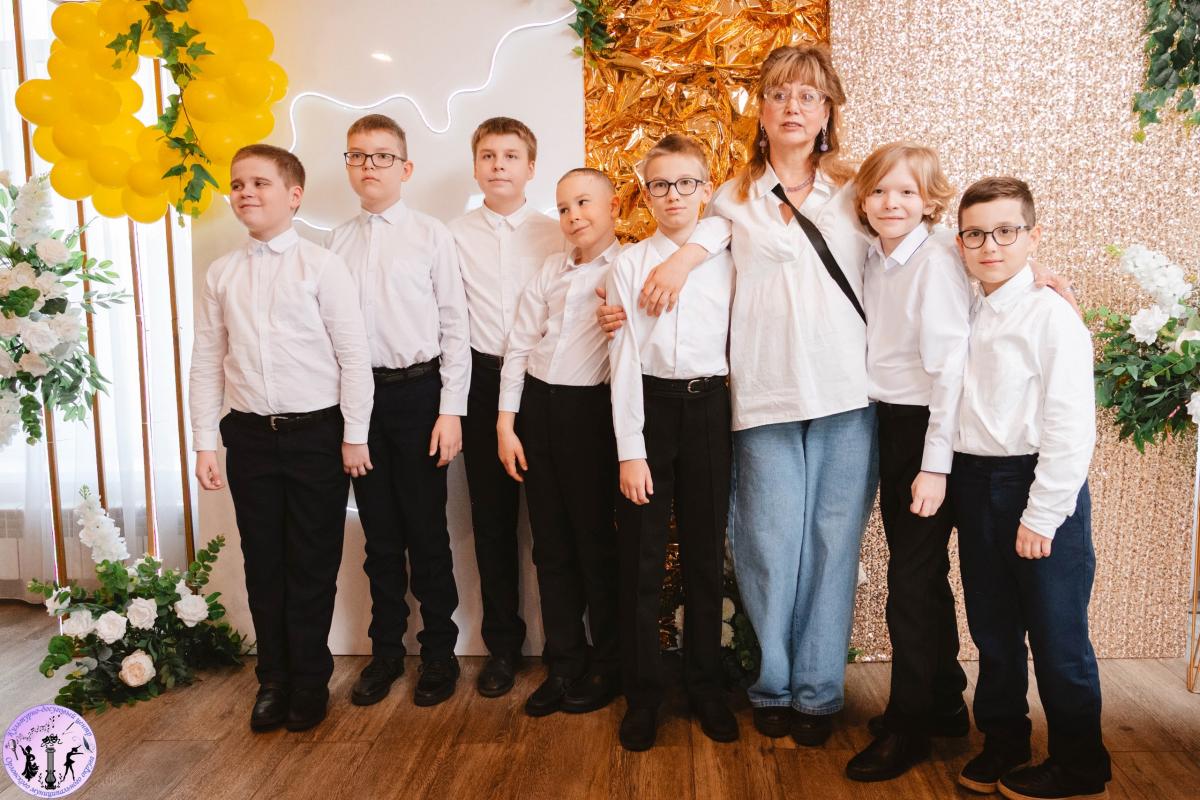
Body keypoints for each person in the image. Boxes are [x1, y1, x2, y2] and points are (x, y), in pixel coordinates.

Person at [190, 144, 374, 732]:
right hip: (248, 437)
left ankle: (310, 680)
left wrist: (354, 434)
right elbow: (206, 361)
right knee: (263, 563)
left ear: (294, 196)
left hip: (316, 434)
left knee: (312, 564)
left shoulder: (322, 267)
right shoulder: (221, 274)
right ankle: (273, 679)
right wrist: (204, 441)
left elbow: (354, 356)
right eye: (237, 184)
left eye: (259, 183)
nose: (245, 192)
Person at [951, 177, 1109, 800]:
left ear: (1033, 236)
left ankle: (1080, 764)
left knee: (1056, 632)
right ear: (960, 243)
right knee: (992, 628)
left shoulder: (1051, 315)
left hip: (1035, 483)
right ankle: (1004, 740)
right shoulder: (964, 304)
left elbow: (1071, 425)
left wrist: (1043, 514)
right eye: (975, 234)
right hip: (974, 479)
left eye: (1005, 231)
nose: (990, 245)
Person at [328, 114, 471, 708]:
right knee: (379, 536)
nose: (369, 166)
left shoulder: (432, 235)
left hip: (419, 396)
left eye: (382, 156)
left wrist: (451, 410)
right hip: (360, 399)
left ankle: (439, 652)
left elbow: (455, 326)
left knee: (426, 531)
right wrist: (348, 421)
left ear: (405, 168)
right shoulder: (336, 242)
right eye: (357, 155)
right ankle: (386, 651)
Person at [843, 142, 972, 781]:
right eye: (879, 191)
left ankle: (909, 726)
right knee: (921, 573)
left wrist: (935, 465)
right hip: (890, 425)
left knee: (910, 584)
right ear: (863, 200)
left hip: (928, 430)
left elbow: (951, 371)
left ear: (929, 201)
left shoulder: (938, 261)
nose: (891, 203)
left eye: (907, 192)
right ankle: (944, 701)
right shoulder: (875, 256)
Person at [607, 134, 738, 751]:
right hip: (651, 409)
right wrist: (630, 449)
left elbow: (730, 224)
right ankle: (643, 695)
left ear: (706, 189)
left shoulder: (728, 255)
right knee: (641, 558)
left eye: (686, 183)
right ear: (646, 192)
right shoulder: (629, 264)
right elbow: (625, 360)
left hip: (711, 408)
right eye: (660, 184)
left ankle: (706, 686)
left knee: (706, 557)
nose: (673, 195)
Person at [497, 168, 622, 718]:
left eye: (584, 203)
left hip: (590, 415)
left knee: (595, 545)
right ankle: (564, 662)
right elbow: (520, 346)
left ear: (614, 206)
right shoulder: (550, 269)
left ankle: (609, 664)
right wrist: (506, 424)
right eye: (564, 207)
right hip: (537, 411)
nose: (573, 216)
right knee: (549, 547)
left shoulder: (627, 267)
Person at [448, 117, 563, 698]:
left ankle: (565, 646)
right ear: (475, 166)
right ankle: (502, 648)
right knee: (491, 523)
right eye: (488, 155)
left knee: (551, 522)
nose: (498, 165)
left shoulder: (557, 232)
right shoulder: (452, 235)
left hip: (542, 385)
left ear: (530, 167)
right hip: (478, 383)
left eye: (511, 155)